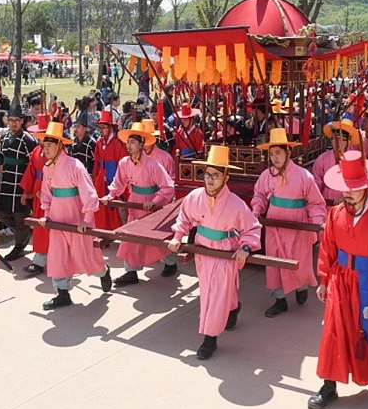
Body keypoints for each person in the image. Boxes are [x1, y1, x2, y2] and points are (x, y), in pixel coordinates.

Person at [307, 150, 368, 409]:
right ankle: (329, 385)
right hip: (340, 281)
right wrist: (324, 279)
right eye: (345, 188)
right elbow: (327, 248)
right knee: (334, 332)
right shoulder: (335, 213)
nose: (348, 193)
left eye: (355, 188)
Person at [167, 145, 261, 360]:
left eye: (215, 175)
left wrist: (245, 247)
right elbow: (183, 219)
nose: (209, 180)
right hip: (202, 251)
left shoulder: (236, 204)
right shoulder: (194, 197)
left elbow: (252, 227)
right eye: (207, 174)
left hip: (225, 253)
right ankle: (234, 308)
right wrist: (177, 236)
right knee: (210, 290)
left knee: (215, 294)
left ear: (226, 176)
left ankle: (209, 339)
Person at [33, 121, 112, 310]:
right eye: (44, 146)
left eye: (49, 146)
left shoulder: (75, 166)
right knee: (58, 255)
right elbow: (46, 193)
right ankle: (62, 292)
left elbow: (88, 192)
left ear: (60, 146)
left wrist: (86, 218)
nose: (46, 151)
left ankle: (103, 271)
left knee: (85, 255)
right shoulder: (47, 167)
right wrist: (46, 213)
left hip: (76, 216)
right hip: (56, 216)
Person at [251, 128, 326, 315]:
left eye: (279, 153)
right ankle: (279, 299)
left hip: (298, 223)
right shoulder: (267, 175)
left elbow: (315, 203)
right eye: (272, 154)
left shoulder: (304, 176)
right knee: (275, 261)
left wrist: (318, 223)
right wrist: (257, 210)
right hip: (274, 222)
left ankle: (301, 288)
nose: (275, 158)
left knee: (298, 259)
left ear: (288, 153)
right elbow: (259, 194)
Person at [104, 122, 175, 286]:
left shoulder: (153, 164)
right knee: (131, 236)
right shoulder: (124, 162)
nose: (129, 145)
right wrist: (111, 195)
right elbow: (118, 183)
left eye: (133, 142)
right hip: (134, 201)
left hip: (151, 203)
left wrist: (155, 201)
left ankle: (171, 262)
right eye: (128, 142)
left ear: (142, 144)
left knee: (157, 237)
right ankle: (131, 271)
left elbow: (168, 186)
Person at [0, 107, 38, 262]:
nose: (13, 124)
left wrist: (28, 185)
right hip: (7, 182)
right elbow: (0, 159)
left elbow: (33, 163)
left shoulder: (28, 140)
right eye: (11, 120)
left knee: (20, 214)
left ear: (22, 121)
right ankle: (24, 232)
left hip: (21, 182)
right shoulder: (4, 139)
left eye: (17, 121)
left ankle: (19, 246)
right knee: (0, 212)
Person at [19, 115, 52, 275]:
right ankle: (41, 258)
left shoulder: (56, 151)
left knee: (50, 227)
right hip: (38, 192)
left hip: (52, 194)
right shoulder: (36, 151)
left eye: (43, 133)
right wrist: (27, 191)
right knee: (40, 227)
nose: (39, 136)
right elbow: (31, 173)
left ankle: (42, 260)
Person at [92, 109, 126, 230]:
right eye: (99, 128)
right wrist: (96, 178)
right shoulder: (99, 142)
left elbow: (122, 165)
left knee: (117, 209)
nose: (101, 130)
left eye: (103, 127)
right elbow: (96, 162)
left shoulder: (118, 143)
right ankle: (103, 233)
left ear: (111, 127)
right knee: (101, 208)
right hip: (101, 179)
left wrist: (116, 180)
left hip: (115, 179)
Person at [312, 119, 360, 205]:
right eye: (335, 139)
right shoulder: (322, 159)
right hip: (326, 200)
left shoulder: (354, 159)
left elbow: (359, 184)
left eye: (342, 139)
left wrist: (347, 197)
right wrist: (317, 199)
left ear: (348, 141)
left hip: (348, 200)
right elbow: (316, 182)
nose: (338, 143)